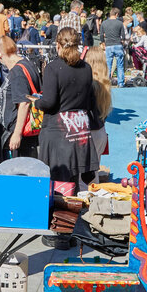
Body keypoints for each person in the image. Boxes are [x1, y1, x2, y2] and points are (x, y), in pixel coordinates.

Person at [34, 27, 99, 192]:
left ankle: (59, 217)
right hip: (79, 131)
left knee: (57, 187)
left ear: (58, 45)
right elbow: (90, 101)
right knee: (73, 183)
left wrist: (36, 102)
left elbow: (49, 102)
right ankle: (72, 215)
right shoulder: (86, 68)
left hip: (58, 133)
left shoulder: (52, 68)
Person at [0, 36, 41, 158]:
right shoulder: (29, 64)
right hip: (31, 131)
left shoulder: (17, 72)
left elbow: (24, 103)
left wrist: (17, 134)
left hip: (22, 134)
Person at [84, 46, 112, 166]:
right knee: (93, 174)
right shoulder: (105, 84)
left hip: (89, 133)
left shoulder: (89, 84)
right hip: (100, 131)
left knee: (83, 178)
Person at [100, 8, 126, 86]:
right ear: (116, 14)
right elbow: (123, 36)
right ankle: (120, 83)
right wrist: (123, 42)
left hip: (108, 45)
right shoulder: (120, 23)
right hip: (118, 44)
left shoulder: (104, 23)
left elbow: (101, 35)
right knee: (120, 65)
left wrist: (103, 43)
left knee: (108, 64)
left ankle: (107, 82)